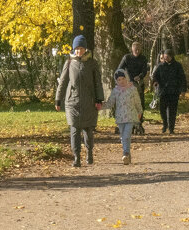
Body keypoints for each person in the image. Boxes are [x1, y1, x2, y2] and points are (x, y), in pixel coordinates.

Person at [55, 35, 104, 167]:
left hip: (89, 102)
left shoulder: (92, 63)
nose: (79, 51)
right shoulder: (69, 63)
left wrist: (99, 99)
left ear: (85, 49)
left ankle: (89, 152)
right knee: (74, 130)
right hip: (72, 102)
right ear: (74, 49)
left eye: (81, 48)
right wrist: (58, 99)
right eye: (76, 48)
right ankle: (76, 157)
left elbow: (97, 82)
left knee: (88, 130)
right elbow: (63, 82)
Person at [105, 68, 144, 164]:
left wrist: (140, 111)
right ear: (116, 81)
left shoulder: (132, 89)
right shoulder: (115, 91)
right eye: (119, 80)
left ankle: (125, 153)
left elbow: (137, 102)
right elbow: (110, 103)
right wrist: (99, 106)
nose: (121, 81)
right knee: (123, 136)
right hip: (120, 117)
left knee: (126, 135)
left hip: (130, 116)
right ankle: (126, 154)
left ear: (126, 78)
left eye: (123, 79)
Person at [151, 48, 187, 134]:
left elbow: (182, 78)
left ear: (171, 56)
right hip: (163, 91)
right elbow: (154, 76)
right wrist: (155, 82)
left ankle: (171, 128)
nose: (165, 58)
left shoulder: (178, 66)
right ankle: (165, 124)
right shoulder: (160, 66)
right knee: (162, 109)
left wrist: (183, 90)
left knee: (172, 111)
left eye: (167, 56)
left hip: (174, 91)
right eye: (164, 56)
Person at [116, 41, 150, 134]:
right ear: (132, 49)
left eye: (139, 49)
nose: (137, 51)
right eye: (135, 50)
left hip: (139, 84)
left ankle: (138, 123)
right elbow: (120, 69)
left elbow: (144, 70)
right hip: (128, 84)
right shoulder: (127, 58)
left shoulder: (143, 58)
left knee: (139, 104)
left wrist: (140, 76)